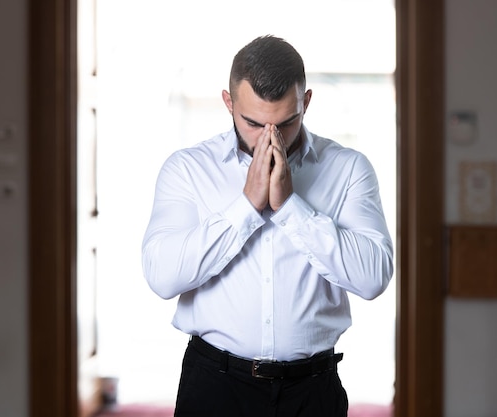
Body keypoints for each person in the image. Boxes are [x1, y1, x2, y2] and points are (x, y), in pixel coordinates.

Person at [141, 35, 394, 417]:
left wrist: (291, 207)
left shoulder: (349, 169)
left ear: (305, 103)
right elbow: (162, 277)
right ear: (229, 103)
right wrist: (246, 206)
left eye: (286, 122)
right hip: (215, 385)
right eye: (255, 123)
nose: (271, 137)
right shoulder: (187, 170)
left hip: (312, 390)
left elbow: (373, 278)